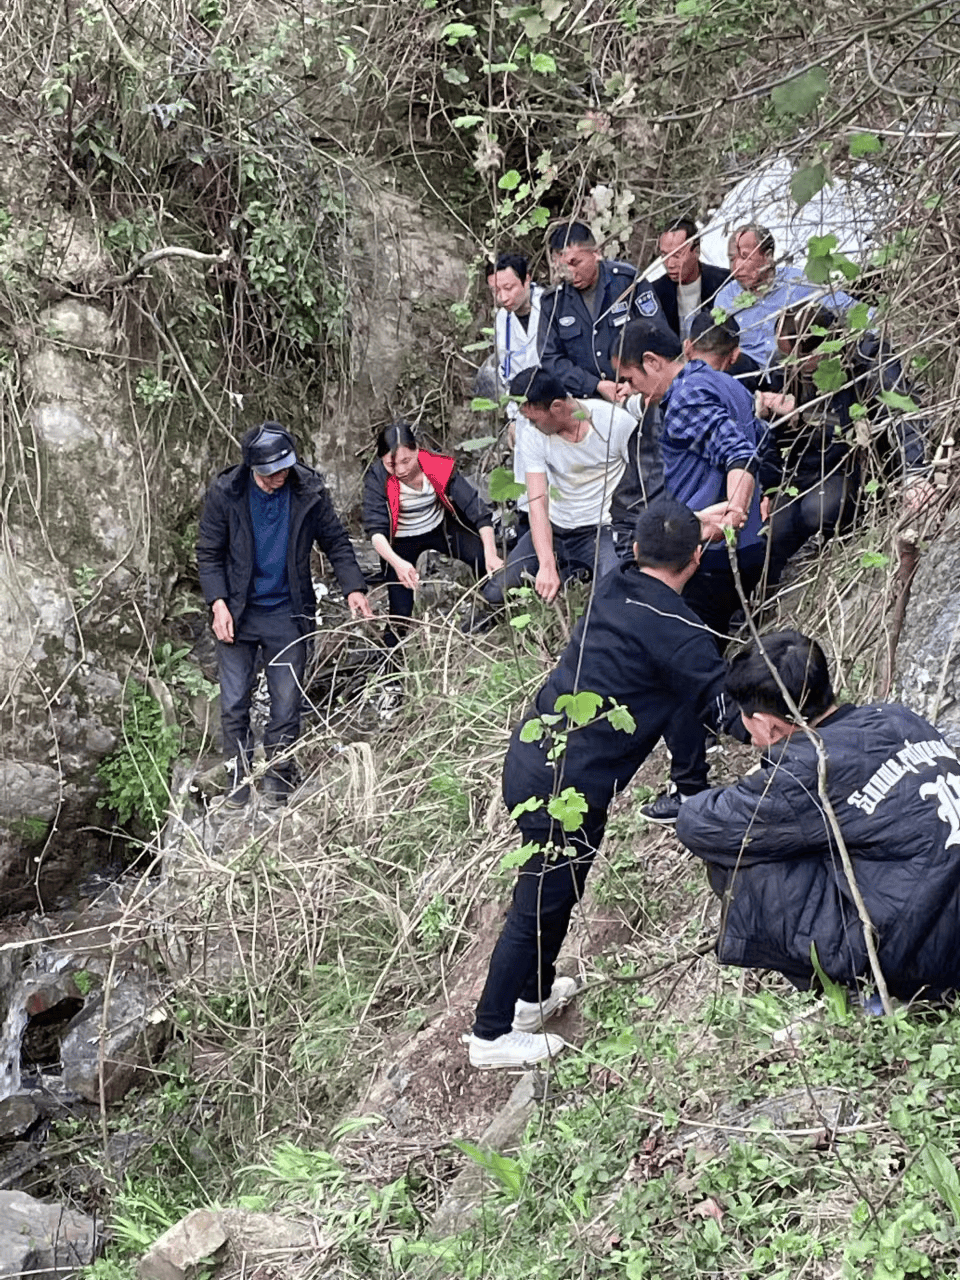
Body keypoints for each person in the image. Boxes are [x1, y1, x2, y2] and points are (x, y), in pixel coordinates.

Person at [468, 499, 743, 1068]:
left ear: (637, 550)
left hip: (538, 756)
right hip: (563, 784)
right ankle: (489, 1035)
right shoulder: (682, 631)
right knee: (538, 903)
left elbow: (658, 550)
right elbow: (725, 715)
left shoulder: (616, 581)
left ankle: (531, 999)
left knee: (561, 891)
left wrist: (697, 527)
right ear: (696, 557)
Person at [676, 630, 960, 1000]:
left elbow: (699, 824)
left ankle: (860, 991)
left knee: (742, 857)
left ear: (765, 724)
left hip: (924, 952)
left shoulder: (809, 767)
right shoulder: (896, 718)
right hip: (943, 912)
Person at [611, 319, 773, 824]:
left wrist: (734, 509)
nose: (634, 392)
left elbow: (738, 452)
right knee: (706, 652)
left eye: (634, 380)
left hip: (707, 553)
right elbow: (760, 441)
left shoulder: (683, 397)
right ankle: (736, 731)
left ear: (655, 364)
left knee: (675, 670)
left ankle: (689, 788)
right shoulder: (727, 381)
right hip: (739, 551)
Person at [197, 423, 373, 807]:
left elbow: (337, 543)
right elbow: (208, 553)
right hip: (238, 613)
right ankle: (238, 780)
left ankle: (278, 779)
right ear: (252, 469)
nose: (280, 477)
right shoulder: (226, 493)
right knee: (233, 702)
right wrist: (218, 603)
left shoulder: (308, 491)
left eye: (285, 468)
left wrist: (354, 588)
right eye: (271, 472)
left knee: (286, 701)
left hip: (288, 611)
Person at [758, 302, 933, 584]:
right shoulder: (787, 369)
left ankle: (829, 543)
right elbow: (776, 440)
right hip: (803, 465)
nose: (790, 365)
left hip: (852, 463)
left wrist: (914, 473)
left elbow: (901, 411)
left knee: (818, 511)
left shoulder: (867, 356)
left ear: (822, 348)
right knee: (774, 528)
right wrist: (767, 485)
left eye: (798, 357)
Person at [480, 369, 637, 611]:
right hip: (555, 526)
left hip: (600, 528)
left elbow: (644, 482)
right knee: (495, 593)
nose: (531, 425)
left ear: (556, 407)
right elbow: (537, 499)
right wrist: (545, 563)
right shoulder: (534, 434)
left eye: (534, 419)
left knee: (613, 595)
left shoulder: (615, 423)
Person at [362, 421, 503, 647]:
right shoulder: (378, 478)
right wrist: (398, 564)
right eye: (391, 464)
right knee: (400, 609)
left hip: (440, 528)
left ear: (417, 450)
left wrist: (491, 552)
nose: (400, 470)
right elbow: (375, 532)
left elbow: (477, 511)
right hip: (399, 542)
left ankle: (499, 612)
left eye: (406, 461)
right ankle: (391, 661)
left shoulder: (437, 466)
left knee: (481, 558)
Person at [539, 221, 669, 402]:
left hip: (638, 392)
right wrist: (595, 385)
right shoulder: (553, 301)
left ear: (596, 253)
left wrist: (637, 381)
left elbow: (657, 334)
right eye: (562, 267)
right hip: (588, 400)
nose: (570, 272)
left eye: (575, 263)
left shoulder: (627, 282)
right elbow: (551, 360)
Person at [714, 223, 863, 375]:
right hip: (752, 379)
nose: (737, 267)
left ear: (768, 256)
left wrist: (880, 325)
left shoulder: (797, 281)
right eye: (732, 259)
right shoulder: (725, 299)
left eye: (745, 257)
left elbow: (849, 308)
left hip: (798, 374)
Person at [486, 252, 547, 540]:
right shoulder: (502, 320)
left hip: (554, 405)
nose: (503, 297)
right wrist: (512, 417)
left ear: (527, 280)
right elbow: (505, 371)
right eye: (496, 290)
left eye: (509, 288)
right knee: (525, 484)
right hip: (523, 411)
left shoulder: (550, 306)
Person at [648, 217, 729, 340]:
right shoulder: (655, 292)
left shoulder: (723, 283)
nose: (670, 264)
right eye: (664, 255)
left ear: (696, 251)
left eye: (677, 255)